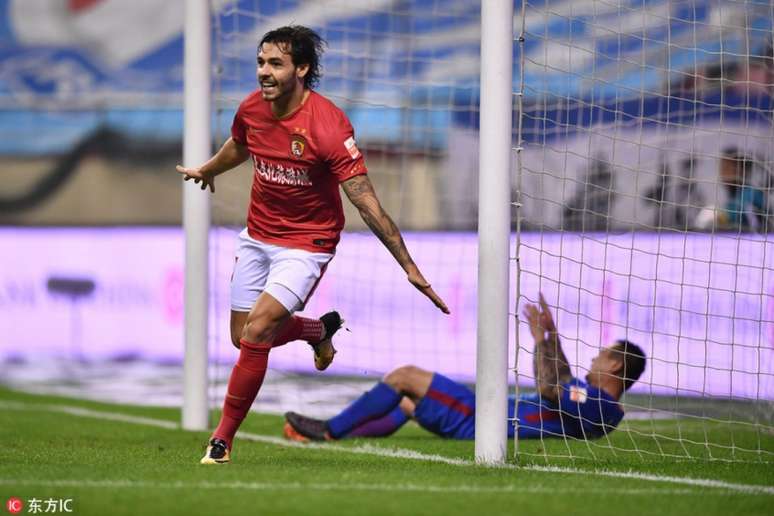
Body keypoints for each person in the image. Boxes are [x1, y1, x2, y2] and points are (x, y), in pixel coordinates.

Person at [176, 26, 449, 464]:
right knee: (241, 337)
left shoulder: (327, 124)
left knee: (259, 330)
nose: (265, 72)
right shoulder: (251, 107)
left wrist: (408, 265)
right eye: (261, 62)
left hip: (307, 243)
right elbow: (240, 144)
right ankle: (318, 330)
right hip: (258, 235)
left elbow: (367, 203)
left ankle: (222, 440)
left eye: (276, 64)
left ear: (301, 69)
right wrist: (209, 169)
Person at [284, 293, 646, 442]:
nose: (596, 358)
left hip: (480, 419)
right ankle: (334, 433)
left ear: (615, 364)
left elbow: (553, 387)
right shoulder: (593, 400)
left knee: (404, 376)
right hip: (484, 415)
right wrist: (551, 336)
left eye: (603, 355)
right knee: (407, 402)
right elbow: (563, 380)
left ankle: (329, 430)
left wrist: (540, 341)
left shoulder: (601, 408)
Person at [717, 148, 769, 232]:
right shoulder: (731, 196)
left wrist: (722, 218)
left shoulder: (752, 195)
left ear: (740, 169)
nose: (723, 173)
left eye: (727, 167)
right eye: (722, 167)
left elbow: (756, 227)